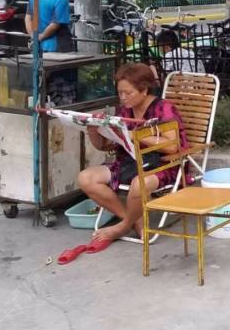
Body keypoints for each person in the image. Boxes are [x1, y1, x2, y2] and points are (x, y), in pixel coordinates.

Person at [77, 62, 188, 243]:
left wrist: (135, 135)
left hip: (163, 164)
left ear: (144, 90)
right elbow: (106, 146)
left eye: (128, 93)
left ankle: (122, 226)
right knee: (86, 178)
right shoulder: (125, 110)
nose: (123, 97)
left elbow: (171, 147)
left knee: (139, 184)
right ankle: (133, 221)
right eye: (120, 93)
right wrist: (94, 131)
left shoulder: (164, 108)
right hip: (130, 162)